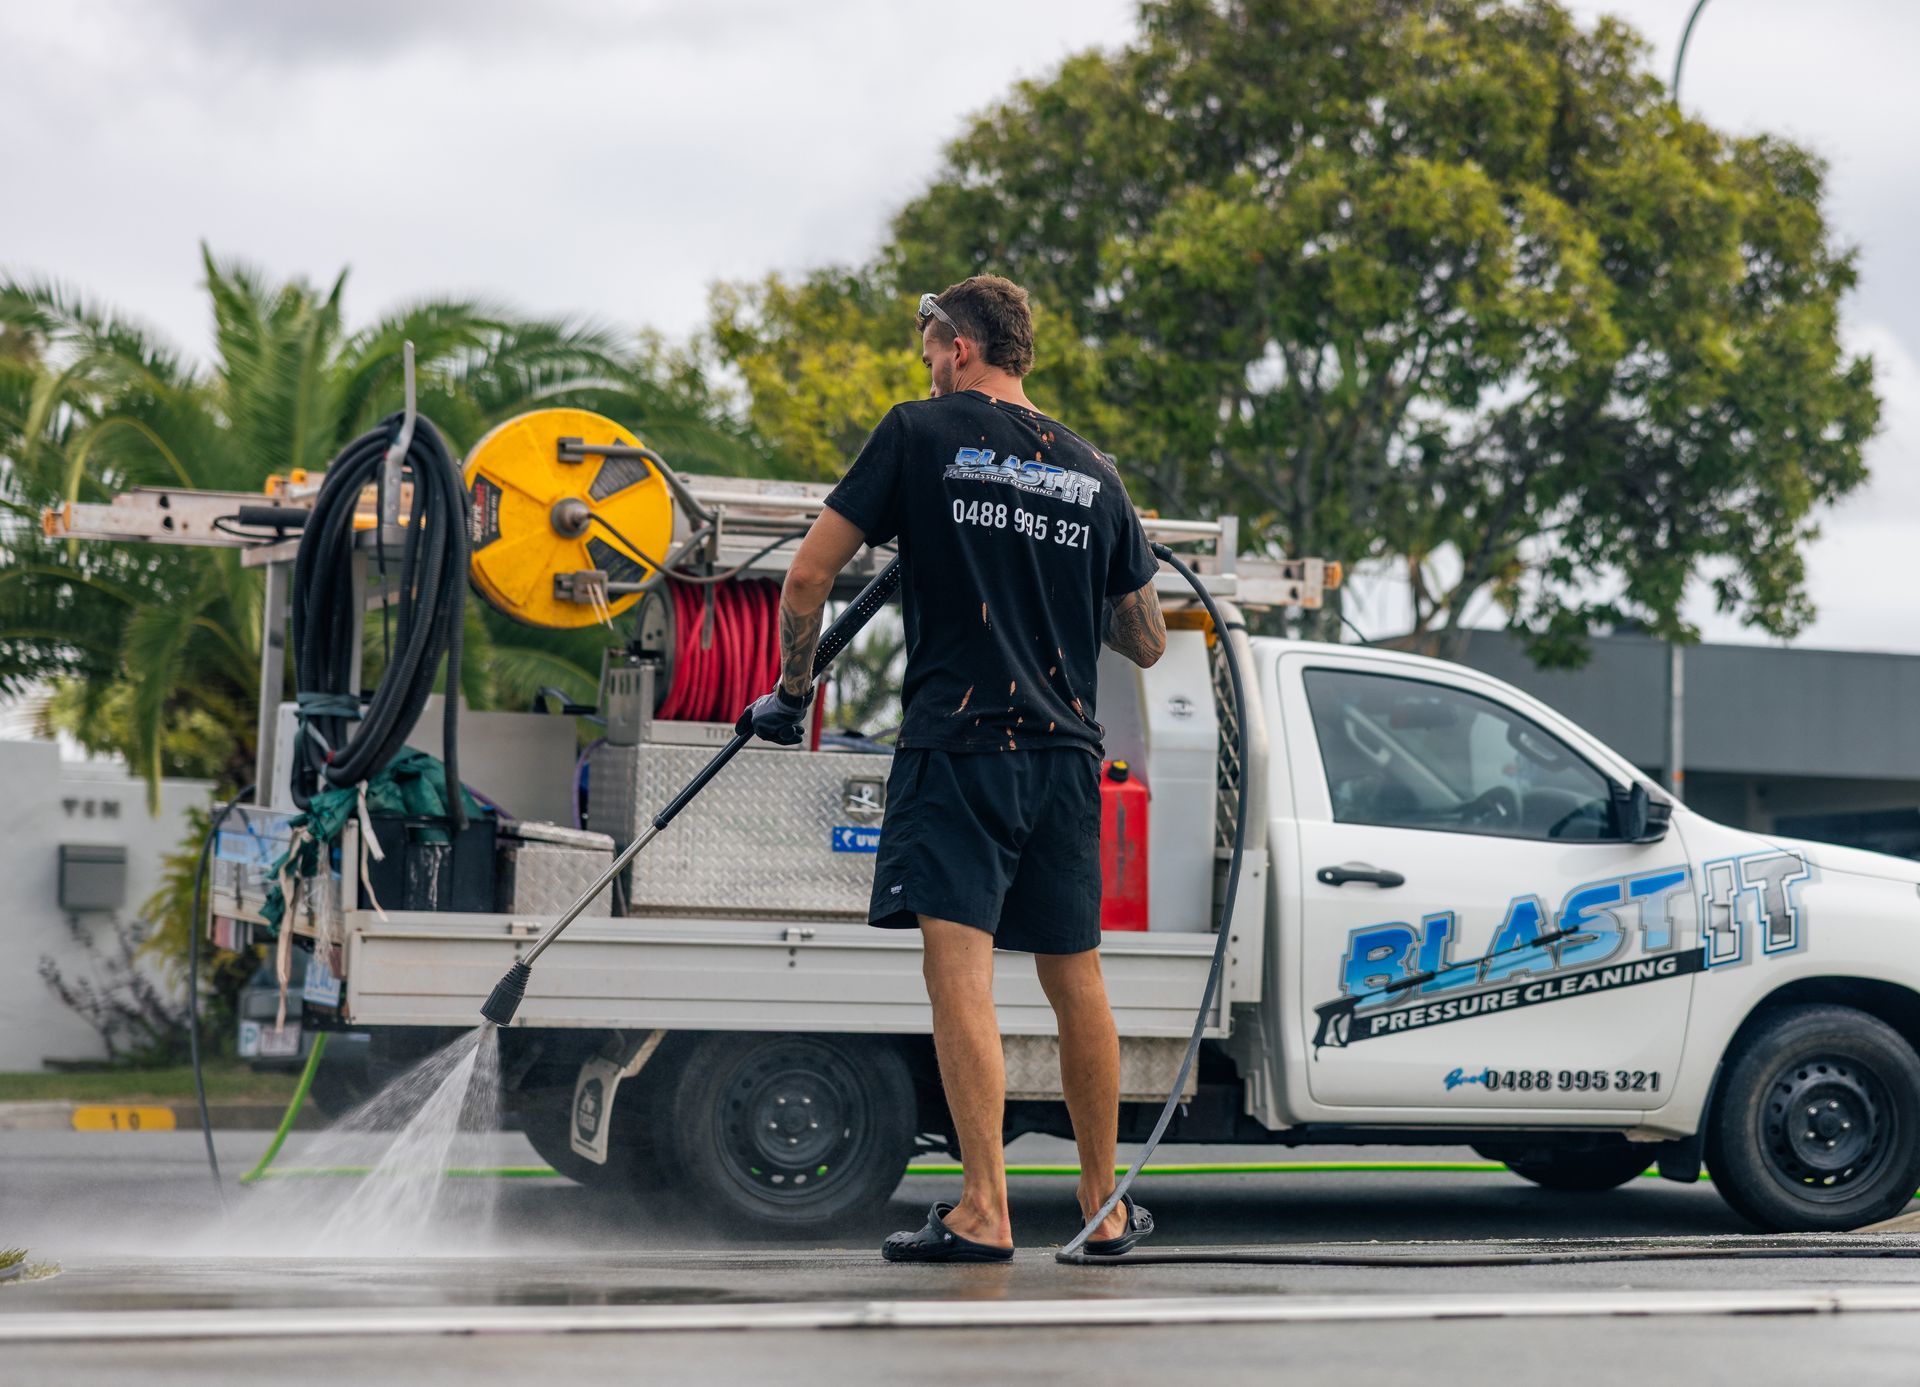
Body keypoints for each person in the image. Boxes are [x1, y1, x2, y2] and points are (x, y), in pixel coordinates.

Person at [738, 274, 1167, 1262]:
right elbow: (1143, 640)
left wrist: (794, 692)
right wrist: (1050, 567)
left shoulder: (917, 435)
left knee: (961, 977)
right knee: (1077, 980)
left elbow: (808, 576)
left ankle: (985, 1209)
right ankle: (1103, 1205)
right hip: (1063, 755)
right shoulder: (1096, 474)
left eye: (930, 345)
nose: (926, 365)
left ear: (961, 347)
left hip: (961, 742)